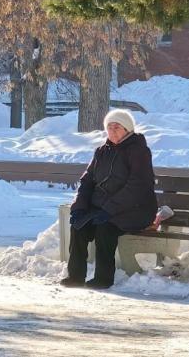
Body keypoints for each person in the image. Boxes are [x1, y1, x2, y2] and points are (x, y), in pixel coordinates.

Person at [60, 109, 157, 289]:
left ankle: (103, 279)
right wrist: (79, 207)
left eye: (117, 127)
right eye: (109, 127)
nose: (112, 130)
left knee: (105, 229)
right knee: (79, 225)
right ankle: (75, 276)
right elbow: (87, 181)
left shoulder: (138, 151)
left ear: (127, 129)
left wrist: (108, 210)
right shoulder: (101, 152)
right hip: (105, 208)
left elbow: (138, 186)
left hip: (136, 209)